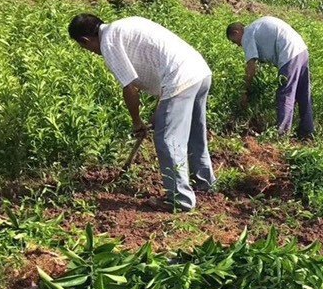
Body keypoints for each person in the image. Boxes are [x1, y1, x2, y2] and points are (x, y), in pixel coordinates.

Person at [68, 14, 215, 213]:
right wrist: (158, 113)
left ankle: (180, 201)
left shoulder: (109, 43)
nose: (92, 52)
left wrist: (137, 122)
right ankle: (205, 182)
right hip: (198, 71)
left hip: (179, 79)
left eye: (85, 48)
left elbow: (130, 89)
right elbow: (160, 61)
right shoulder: (125, 25)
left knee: (167, 141)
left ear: (86, 40)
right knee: (194, 133)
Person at [226, 18, 314, 139]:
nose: (237, 45)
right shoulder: (256, 28)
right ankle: (307, 132)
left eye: (235, 42)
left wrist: (245, 91)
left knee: (285, 93)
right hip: (301, 50)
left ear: (237, 32)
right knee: (303, 93)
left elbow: (251, 67)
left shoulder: (247, 35)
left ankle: (282, 135)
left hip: (289, 53)